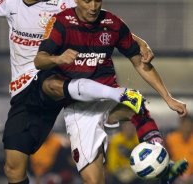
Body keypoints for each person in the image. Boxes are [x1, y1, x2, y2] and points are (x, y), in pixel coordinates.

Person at [0, 1, 156, 183]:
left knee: (92, 167)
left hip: (63, 77)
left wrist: (137, 42)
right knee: (13, 166)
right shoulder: (10, 4)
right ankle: (124, 110)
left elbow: (105, 23)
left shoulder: (64, 3)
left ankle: (131, 114)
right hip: (26, 89)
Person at [34, 0, 188, 183]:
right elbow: (39, 60)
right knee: (94, 181)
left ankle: (162, 165)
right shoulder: (61, 22)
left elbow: (139, 62)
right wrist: (58, 58)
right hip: (80, 109)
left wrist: (168, 98)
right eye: (87, 1)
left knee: (136, 105)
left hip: (109, 94)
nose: (93, 7)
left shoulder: (112, 23)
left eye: (97, 0)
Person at [166, 115, 193, 184]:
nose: (187, 128)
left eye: (189, 125)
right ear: (180, 125)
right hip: (175, 175)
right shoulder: (171, 139)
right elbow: (166, 159)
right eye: (185, 125)